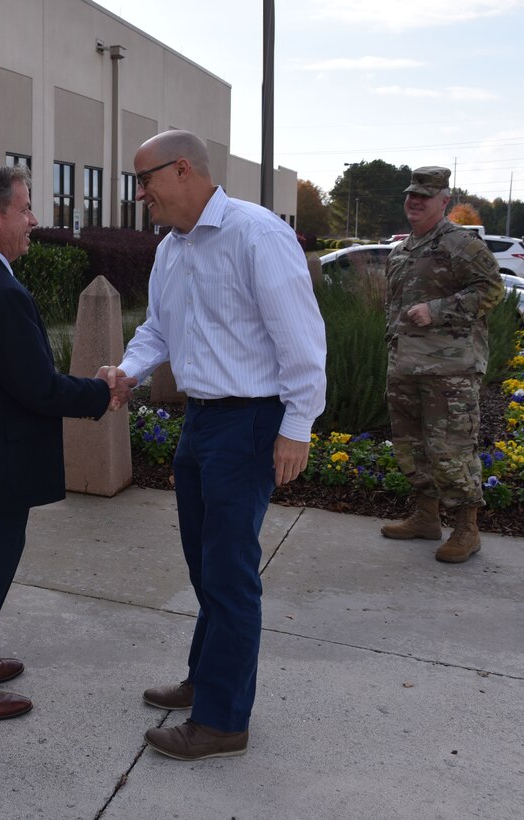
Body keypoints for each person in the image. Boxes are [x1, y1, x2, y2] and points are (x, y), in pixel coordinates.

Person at [101, 130, 326, 760]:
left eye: (145, 179)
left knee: (229, 575)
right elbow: (158, 330)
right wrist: (127, 371)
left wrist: (295, 428)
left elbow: (303, 344)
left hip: (250, 423)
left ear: (182, 171)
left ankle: (224, 720)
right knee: (207, 566)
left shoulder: (257, 235)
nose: (139, 192)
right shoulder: (172, 249)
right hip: (201, 422)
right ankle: (206, 679)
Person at [0, 164, 135, 721]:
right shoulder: (1, 291)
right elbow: (37, 388)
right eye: (26, 208)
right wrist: (101, 392)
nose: (34, 220)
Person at [380, 166, 504, 562]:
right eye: (411, 195)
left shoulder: (460, 244)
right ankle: (426, 518)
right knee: (412, 447)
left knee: (451, 451)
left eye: (425, 196)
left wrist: (438, 310)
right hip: (406, 366)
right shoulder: (402, 249)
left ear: (443, 201)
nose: (415, 201)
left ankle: (467, 530)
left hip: (449, 371)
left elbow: (492, 290)